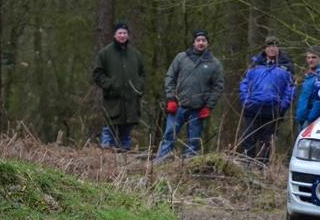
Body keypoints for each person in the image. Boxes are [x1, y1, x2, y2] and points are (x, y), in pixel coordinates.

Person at [154, 30, 224, 162]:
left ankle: (190, 164)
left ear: (208, 43)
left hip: (198, 109)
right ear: (193, 42)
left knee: (194, 140)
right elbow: (170, 77)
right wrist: (171, 98)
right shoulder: (181, 57)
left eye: (203, 40)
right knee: (169, 135)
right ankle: (160, 161)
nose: (201, 43)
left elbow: (218, 87)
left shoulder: (214, 64)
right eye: (198, 40)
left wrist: (209, 106)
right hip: (178, 105)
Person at [238, 36, 296, 163]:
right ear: (265, 48)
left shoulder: (286, 66)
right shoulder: (255, 64)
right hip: (252, 107)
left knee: (267, 141)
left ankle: (262, 167)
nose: (272, 49)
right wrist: (245, 100)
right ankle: (247, 164)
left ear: (278, 48)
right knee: (249, 137)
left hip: (273, 110)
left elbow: (290, 89)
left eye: (274, 46)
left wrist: (283, 106)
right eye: (269, 46)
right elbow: (244, 83)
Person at [92, 21, 145, 151]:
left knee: (126, 133)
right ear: (114, 35)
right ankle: (105, 160)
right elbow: (97, 74)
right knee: (108, 129)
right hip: (112, 100)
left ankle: (124, 161)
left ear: (128, 35)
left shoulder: (135, 54)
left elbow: (142, 74)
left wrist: (139, 87)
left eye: (125, 33)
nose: (122, 35)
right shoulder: (105, 53)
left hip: (131, 101)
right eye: (120, 33)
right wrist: (110, 84)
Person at [295, 46, 320, 131]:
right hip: (302, 118)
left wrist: (311, 118)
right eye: (308, 57)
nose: (310, 60)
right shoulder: (308, 75)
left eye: (313, 57)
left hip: (313, 119)